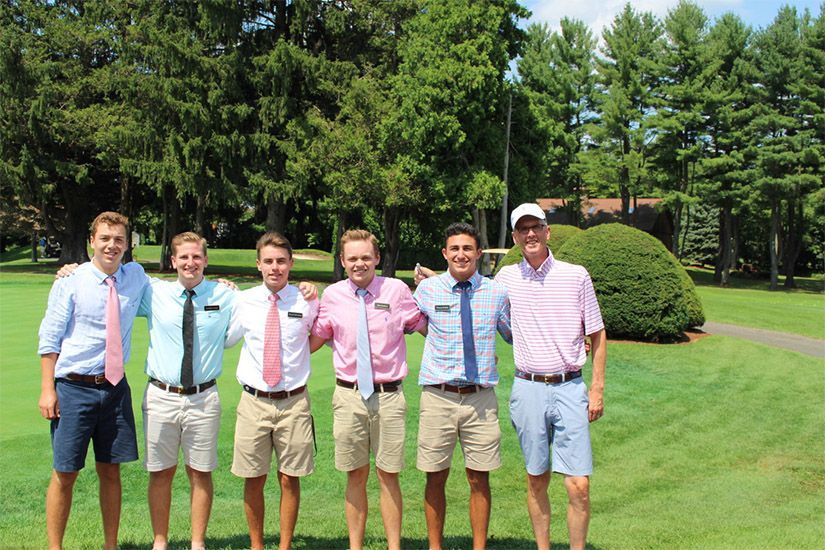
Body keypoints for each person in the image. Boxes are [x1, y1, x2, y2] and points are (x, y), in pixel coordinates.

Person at [494, 203, 606, 550]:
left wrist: (597, 388)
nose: (530, 234)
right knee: (536, 479)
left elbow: (598, 334)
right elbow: (482, 306)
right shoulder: (506, 278)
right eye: (523, 229)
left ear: (547, 231)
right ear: (515, 237)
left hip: (570, 387)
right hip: (527, 389)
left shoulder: (576, 275)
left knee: (579, 486)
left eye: (536, 227)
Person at [310, 229, 425, 550]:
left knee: (389, 475)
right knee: (355, 475)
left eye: (365, 257)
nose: (359, 263)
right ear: (343, 262)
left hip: (389, 397)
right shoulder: (332, 296)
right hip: (348, 398)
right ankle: (356, 546)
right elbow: (313, 341)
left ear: (376, 258)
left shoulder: (397, 290)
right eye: (352, 258)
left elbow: (425, 327)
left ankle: (393, 546)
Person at [38, 211, 147, 550]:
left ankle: (110, 546)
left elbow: (177, 289)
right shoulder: (70, 281)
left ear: (127, 245)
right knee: (65, 472)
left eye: (118, 240)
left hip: (115, 388)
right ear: (91, 243)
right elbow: (49, 338)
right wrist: (47, 389)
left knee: (111, 471)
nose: (111, 245)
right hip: (73, 389)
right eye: (105, 239)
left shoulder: (135, 276)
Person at [413, 222, 512, 550]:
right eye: (454, 249)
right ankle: (434, 546)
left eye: (467, 248)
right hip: (438, 396)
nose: (461, 254)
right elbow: (403, 322)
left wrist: (570, 338)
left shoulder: (496, 292)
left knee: (479, 478)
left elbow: (514, 334)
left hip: (480, 400)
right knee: (435, 476)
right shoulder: (428, 291)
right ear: (445, 253)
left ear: (478, 253)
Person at [138, 232, 235, 550]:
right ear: (173, 261)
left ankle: (197, 542)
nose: (190, 262)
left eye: (196, 257)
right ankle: (160, 541)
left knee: (200, 471)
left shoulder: (225, 294)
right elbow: (114, 282)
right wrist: (72, 269)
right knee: (160, 472)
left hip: (203, 398)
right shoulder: (153, 292)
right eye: (184, 257)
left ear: (205, 260)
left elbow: (265, 299)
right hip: (161, 396)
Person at [225, 232, 319, 550]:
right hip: (253, 401)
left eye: (281, 261)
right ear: (258, 265)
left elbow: (322, 335)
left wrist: (312, 290)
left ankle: (284, 544)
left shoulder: (306, 301)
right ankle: (256, 545)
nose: (275, 267)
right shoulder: (244, 301)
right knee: (253, 477)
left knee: (289, 477)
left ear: (290, 264)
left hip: (293, 402)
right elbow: (226, 339)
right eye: (268, 261)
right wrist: (222, 291)